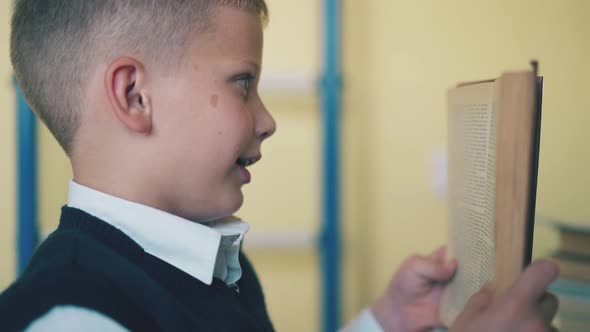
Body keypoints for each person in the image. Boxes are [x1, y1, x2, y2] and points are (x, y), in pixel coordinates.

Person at [1, 1, 558, 331]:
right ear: (134, 95)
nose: (266, 120)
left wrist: (382, 320)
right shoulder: (74, 318)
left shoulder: (214, 263)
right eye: (243, 83)